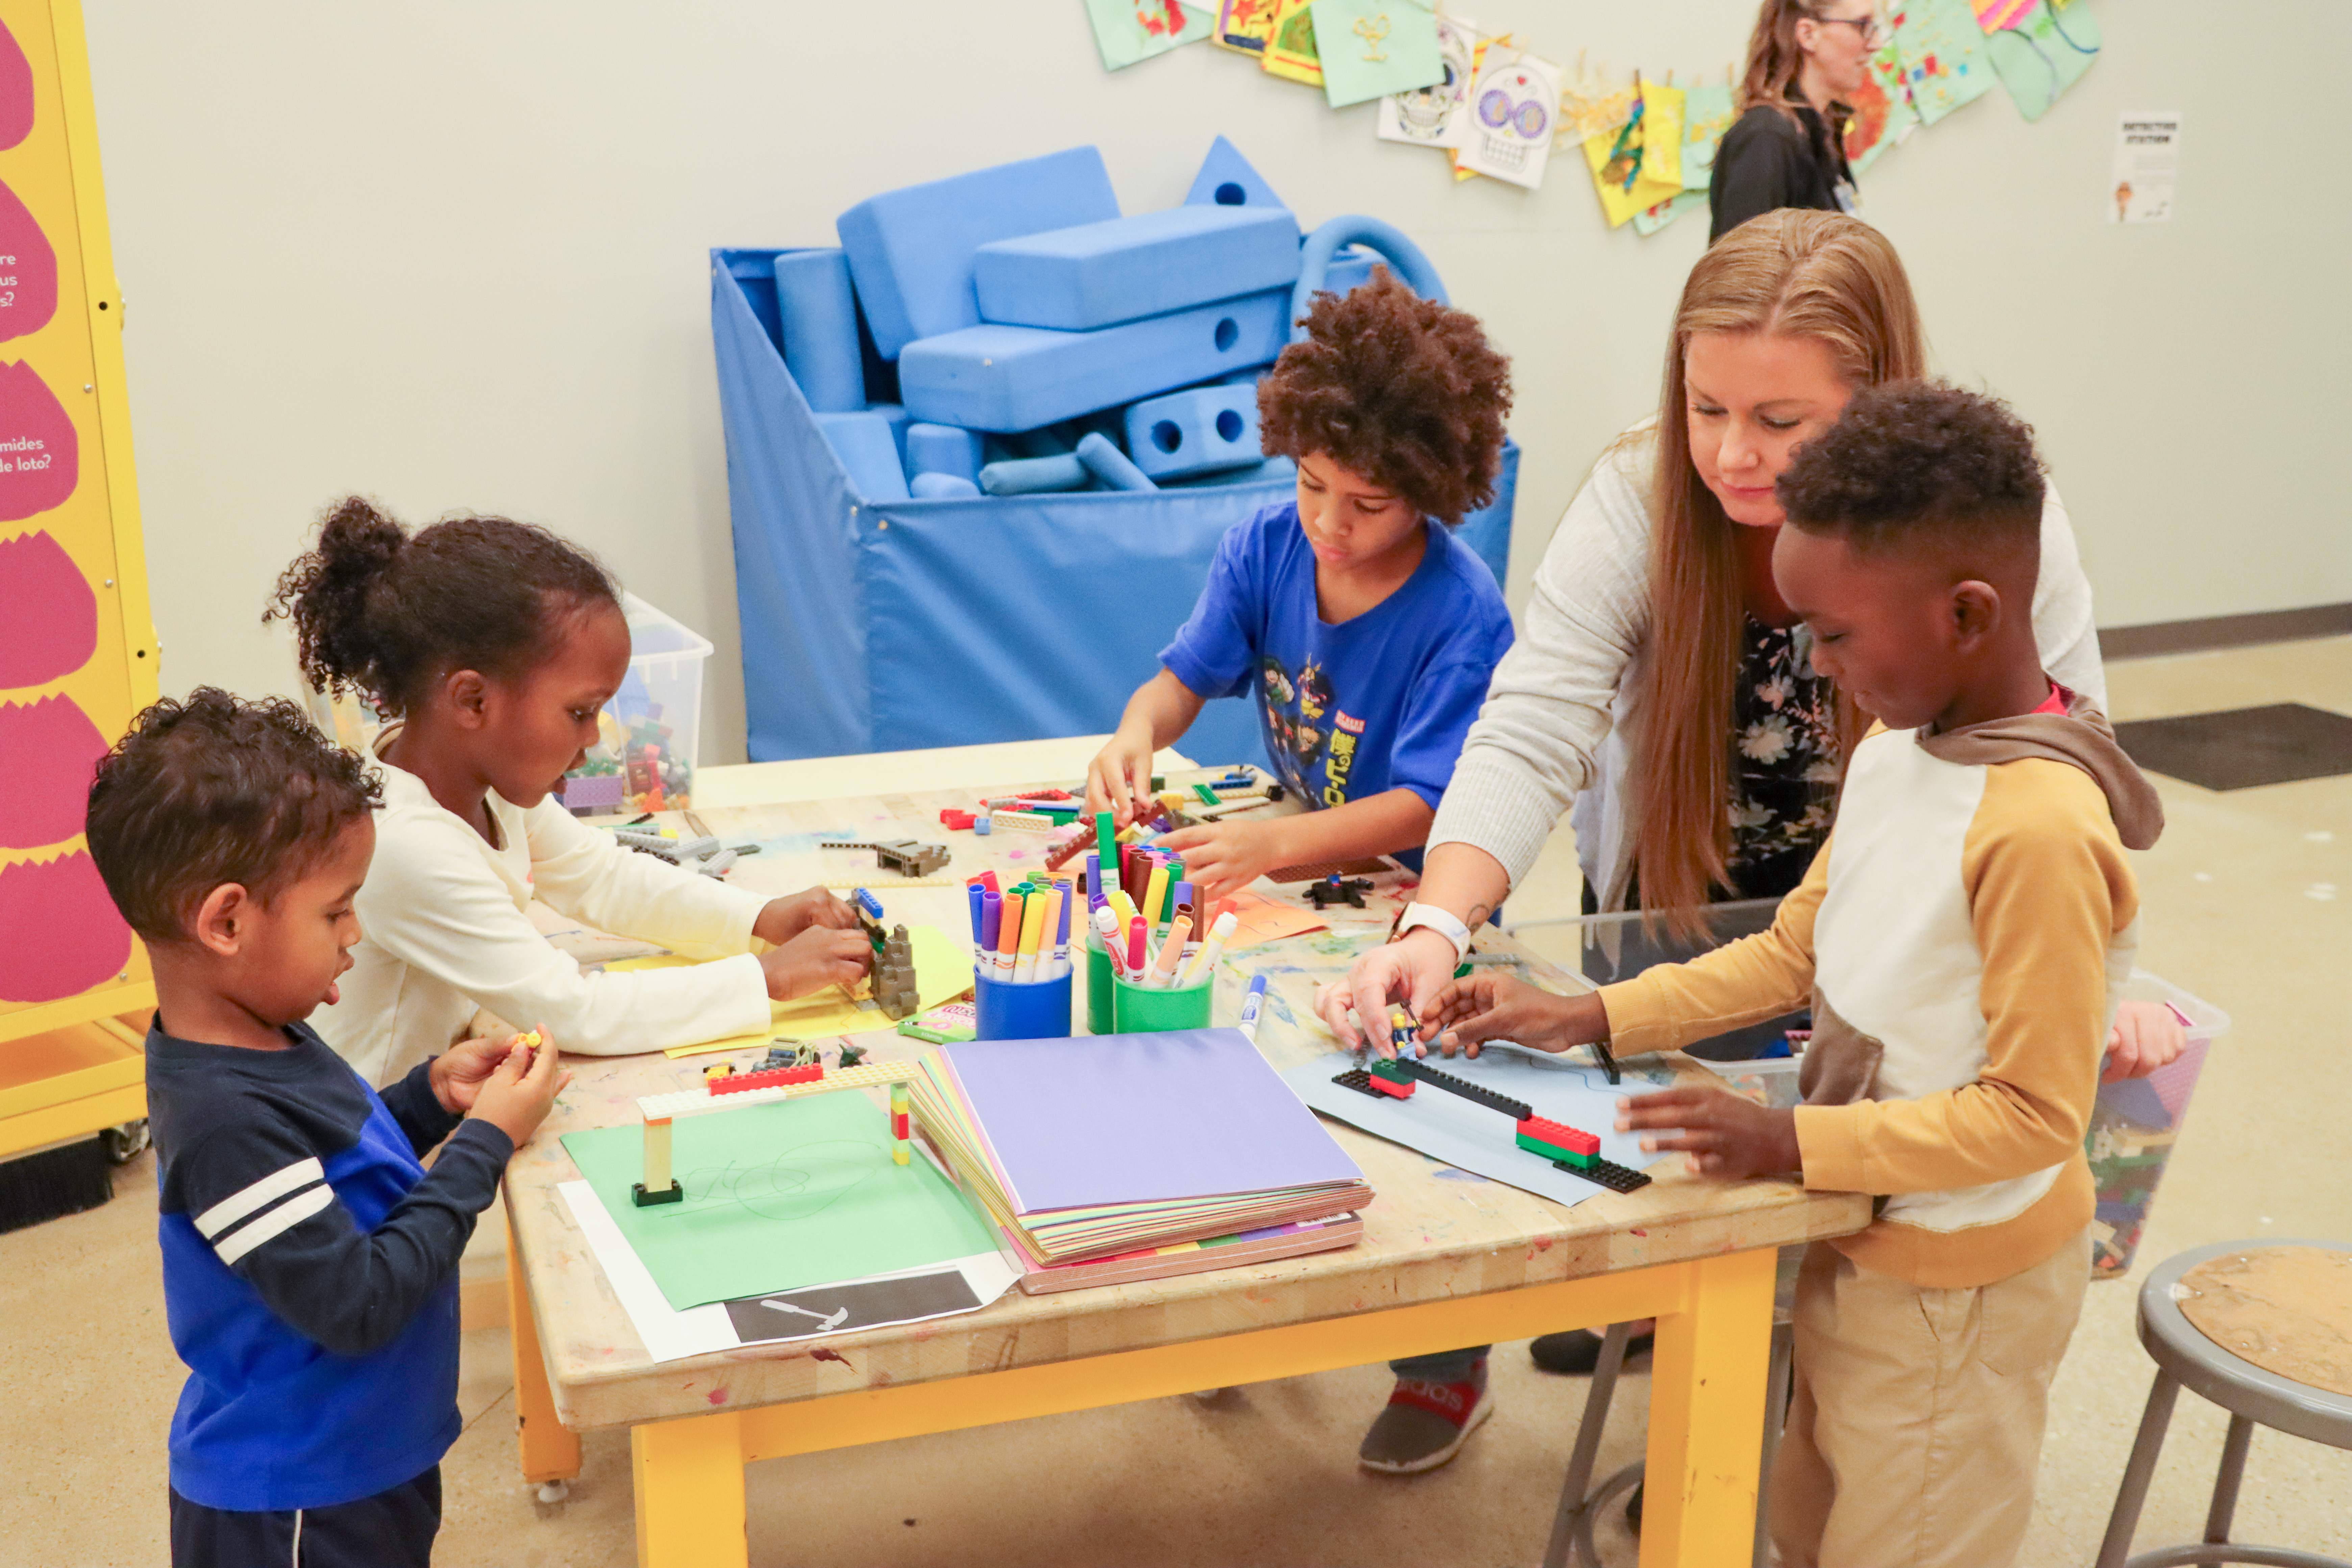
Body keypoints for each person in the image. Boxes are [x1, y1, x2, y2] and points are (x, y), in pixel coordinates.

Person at [1316, 210, 2181, 1479]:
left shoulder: (1988, 532)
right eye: (1704, 407)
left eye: (1781, 424)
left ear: (1876, 397)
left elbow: (2067, 763)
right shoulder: (1635, 493)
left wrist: (2107, 975)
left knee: (1841, 1225)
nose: (1730, 454)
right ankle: (1714, 1384)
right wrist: (1436, 923)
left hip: (1901, 929)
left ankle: (1753, 1422)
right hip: (1702, 906)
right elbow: (1535, 717)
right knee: (1698, 1172)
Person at [1419, 382, 2158, 1568]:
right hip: (1858, 1236)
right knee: (1810, 1518)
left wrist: (1786, 1147)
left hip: (1958, 1286)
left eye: (1838, 635)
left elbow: (2033, 1117)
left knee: (1902, 1537)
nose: (1813, 661)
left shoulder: (2036, 831)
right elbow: (1789, 954)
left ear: (1969, 615)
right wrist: (1587, 1015)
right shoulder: (1900, 753)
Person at [84, 689, 568, 1568]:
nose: (356, 933)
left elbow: (326, 1165)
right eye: (336, 910)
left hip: (359, 1463)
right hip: (300, 1497)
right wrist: (483, 1148)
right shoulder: (223, 1119)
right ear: (227, 921)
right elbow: (362, 1301)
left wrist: (428, 1096)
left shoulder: (263, 1034)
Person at [268, 499, 875, 1087]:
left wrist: (761, 917)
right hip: (372, 1151)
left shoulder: (475, 779)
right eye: (581, 711)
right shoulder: (401, 842)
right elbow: (574, 1010)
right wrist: (765, 977)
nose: (597, 735)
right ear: (473, 701)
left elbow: (600, 877)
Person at [1085, 267, 1516, 905]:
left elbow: (1428, 806)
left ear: (1430, 495)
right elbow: (1181, 683)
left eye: (1368, 505)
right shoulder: (1263, 549)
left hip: (1424, 899)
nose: (1327, 522)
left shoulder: (1463, 618)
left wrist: (1273, 846)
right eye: (1311, 483)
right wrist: (1136, 733)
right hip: (1313, 869)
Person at [1709, 0, 1878, 242]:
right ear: (1808, 35)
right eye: (1862, 25)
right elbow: (1740, 275)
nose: (1876, 44)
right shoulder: (1765, 139)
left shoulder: (1822, 131)